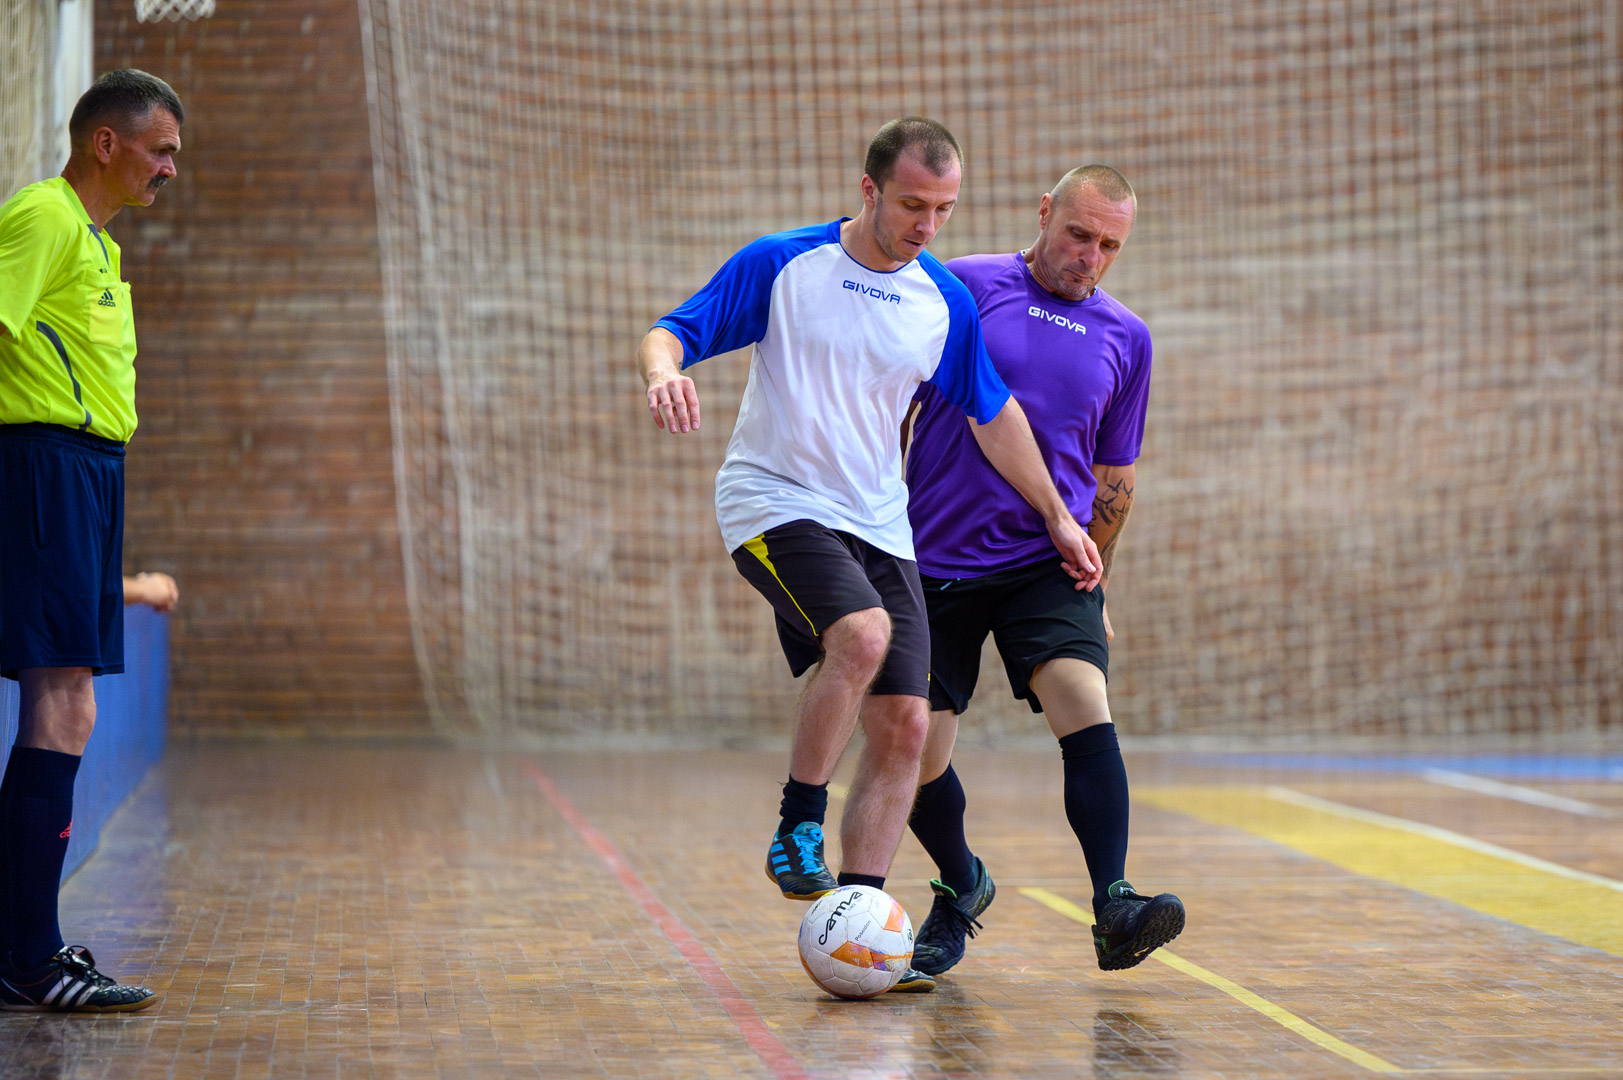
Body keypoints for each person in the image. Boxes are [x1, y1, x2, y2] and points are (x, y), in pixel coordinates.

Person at [638, 119, 1101, 992]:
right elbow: (671, 331)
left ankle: (859, 921)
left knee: (906, 726)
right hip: (773, 501)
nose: (928, 224)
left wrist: (1057, 517)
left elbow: (992, 413)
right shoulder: (784, 264)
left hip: (880, 524)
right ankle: (797, 822)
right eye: (912, 204)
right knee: (859, 634)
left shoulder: (941, 301)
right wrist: (664, 372)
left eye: (944, 209)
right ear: (868, 189)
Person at [900, 165, 1185, 978]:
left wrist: (1099, 577)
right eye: (1078, 234)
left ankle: (1114, 906)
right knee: (913, 744)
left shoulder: (1127, 337)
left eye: (1109, 245)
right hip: (931, 558)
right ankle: (960, 882)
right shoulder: (962, 285)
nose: (1089, 257)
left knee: (1084, 701)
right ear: (1043, 214)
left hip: (1044, 562)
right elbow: (895, 403)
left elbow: (1114, 475)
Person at [0, 68, 184, 1013]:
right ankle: (27, 959)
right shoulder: (43, 215)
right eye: (161, 149)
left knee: (69, 707)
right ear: (106, 143)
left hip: (91, 471)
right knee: (62, 706)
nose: (170, 168)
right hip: (46, 464)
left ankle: (24, 948)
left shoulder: (101, 247)